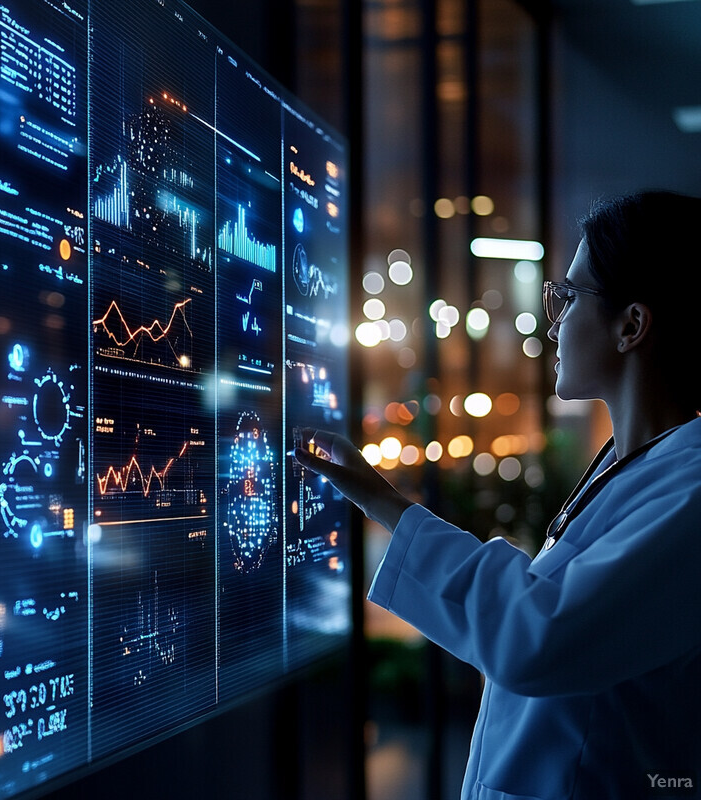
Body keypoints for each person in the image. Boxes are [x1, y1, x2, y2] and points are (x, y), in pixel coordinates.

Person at [294, 190, 701, 799]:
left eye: (568, 297)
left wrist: (381, 500)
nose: (553, 320)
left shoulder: (689, 492)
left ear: (632, 325)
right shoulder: (632, 466)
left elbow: (538, 636)